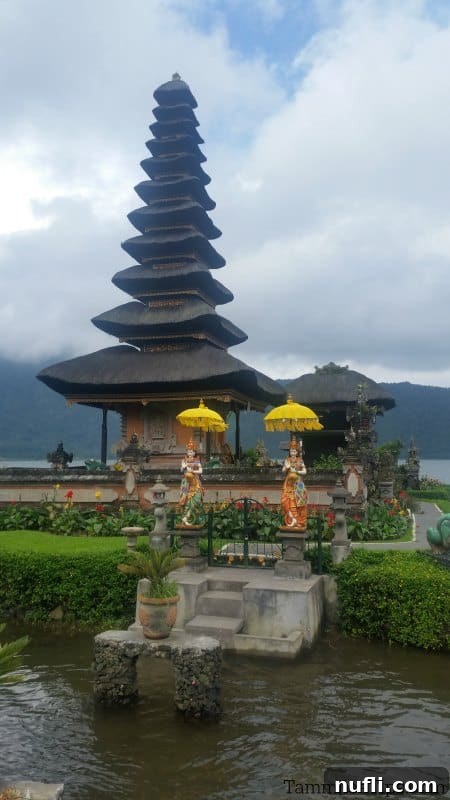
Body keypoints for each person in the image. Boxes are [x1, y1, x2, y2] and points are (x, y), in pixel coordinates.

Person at [281, 436, 308, 529]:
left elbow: (305, 471)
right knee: (286, 501)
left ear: (297, 452)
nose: (293, 453)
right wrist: (287, 467)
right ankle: (292, 519)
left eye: (294, 451)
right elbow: (283, 471)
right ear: (289, 452)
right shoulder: (287, 460)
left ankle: (299, 522)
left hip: (298, 484)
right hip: (288, 484)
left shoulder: (300, 460)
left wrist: (297, 471)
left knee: (299, 503)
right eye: (291, 451)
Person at [179, 439, 205, 526]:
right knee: (186, 499)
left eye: (192, 451)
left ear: (194, 452)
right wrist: (185, 466)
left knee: (197, 499)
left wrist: (194, 471)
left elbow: (201, 470)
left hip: (195, 482)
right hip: (186, 483)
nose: (190, 453)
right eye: (189, 451)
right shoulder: (184, 461)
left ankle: (191, 517)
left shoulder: (197, 461)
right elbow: (182, 469)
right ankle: (186, 517)